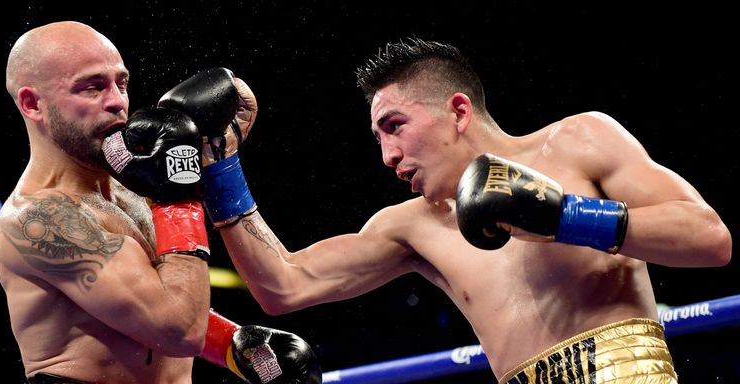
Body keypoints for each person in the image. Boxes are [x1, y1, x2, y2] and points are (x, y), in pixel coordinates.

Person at [181, 38, 732, 383]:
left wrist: (564, 216)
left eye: (394, 126)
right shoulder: (411, 226)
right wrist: (220, 167)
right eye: (376, 139)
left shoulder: (579, 141)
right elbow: (285, 286)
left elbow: (711, 238)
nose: (388, 155)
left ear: (459, 111)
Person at [0, 20, 321, 384]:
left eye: (121, 83)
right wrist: (179, 191)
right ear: (32, 103)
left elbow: (144, 306)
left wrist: (231, 345)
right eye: (92, 88)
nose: (117, 102)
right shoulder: (39, 219)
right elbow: (177, 330)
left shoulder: (132, 187)